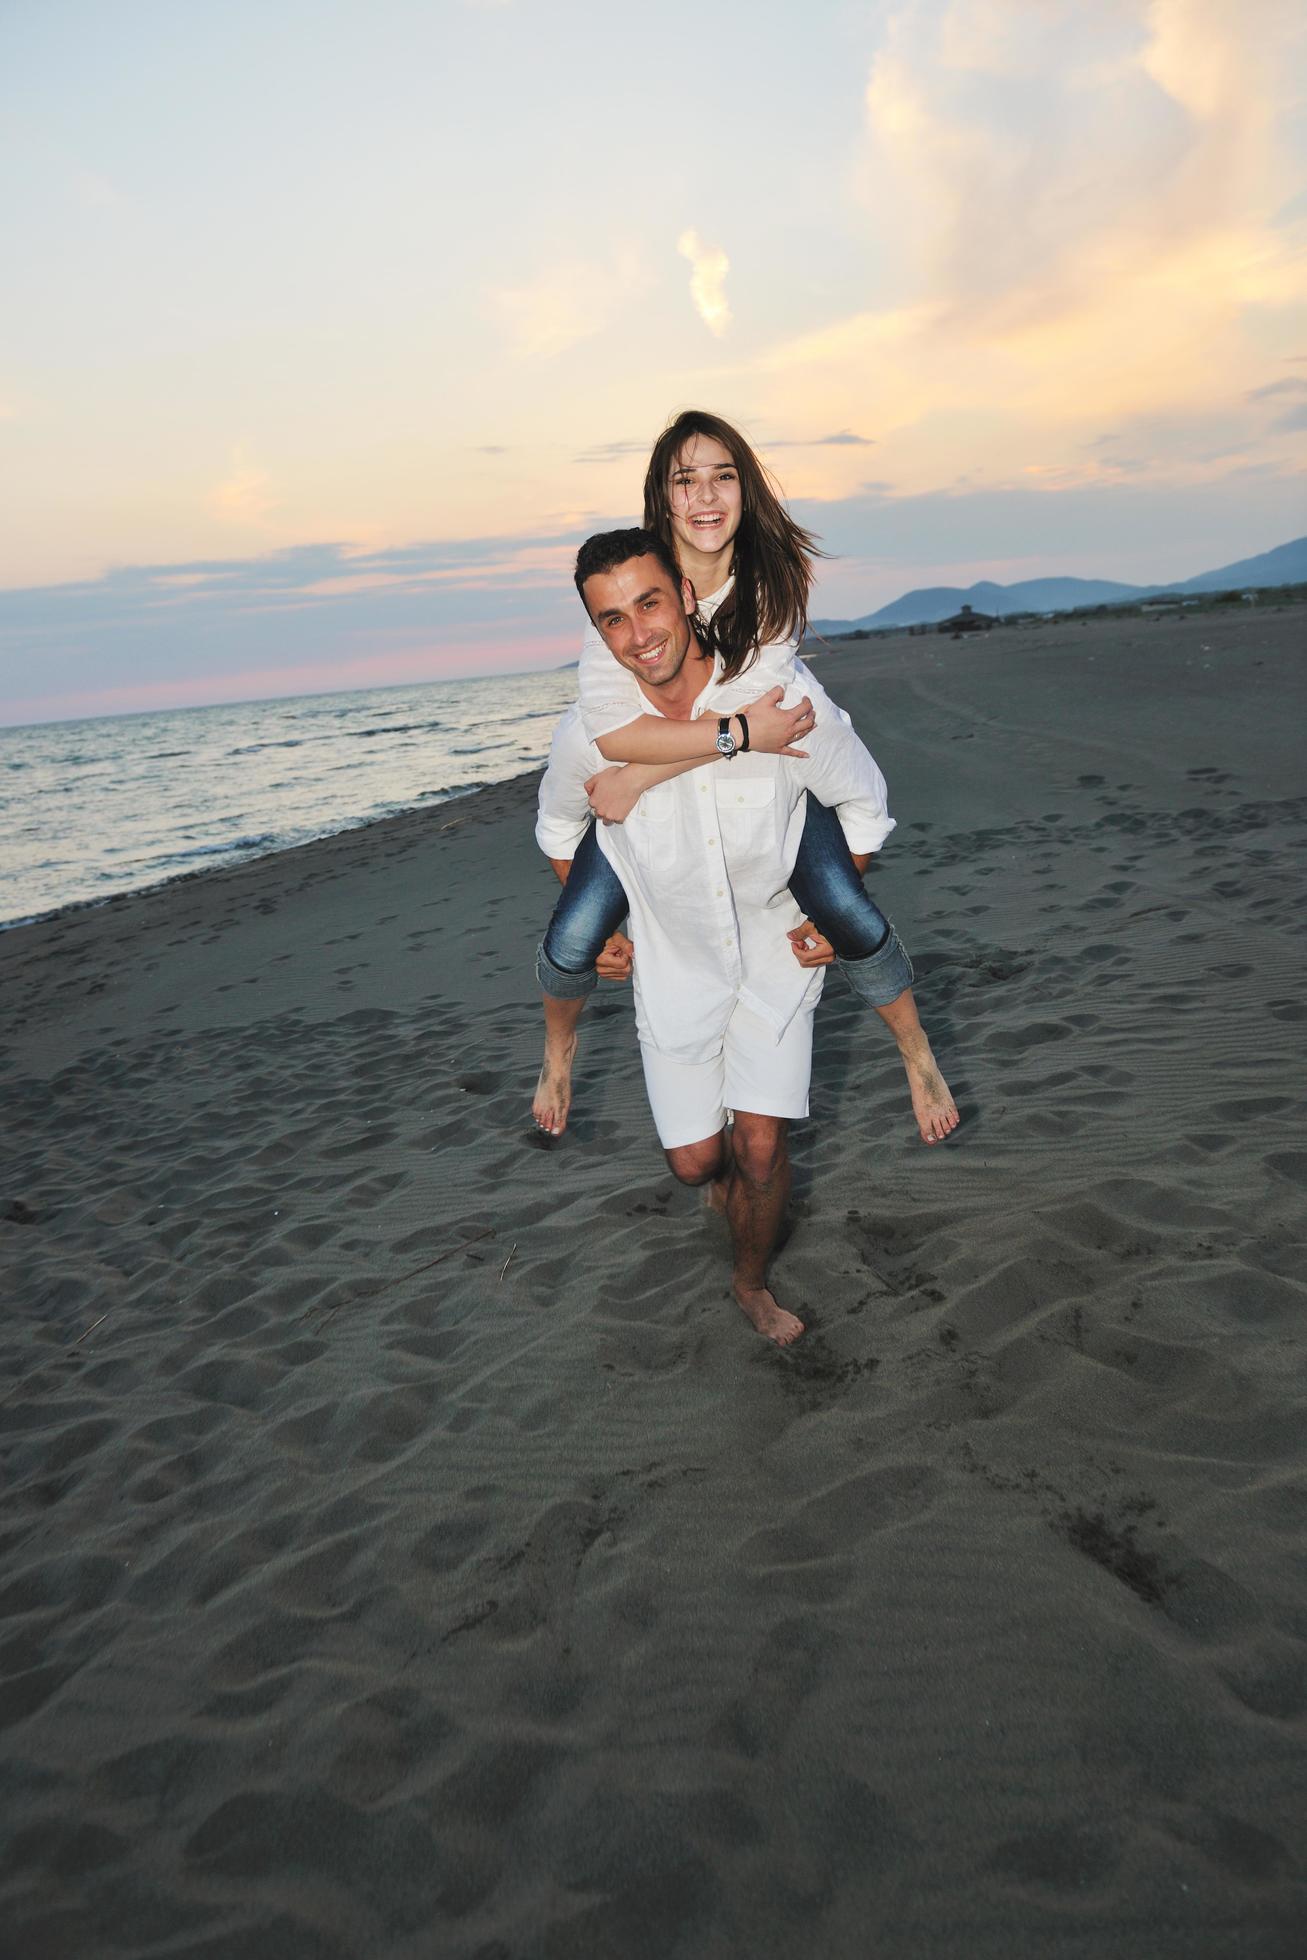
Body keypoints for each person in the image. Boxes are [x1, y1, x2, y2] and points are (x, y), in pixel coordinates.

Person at [535, 528, 956, 1346]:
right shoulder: (586, 737)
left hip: (774, 959)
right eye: (612, 619)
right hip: (672, 967)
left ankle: (750, 1280)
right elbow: (559, 831)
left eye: (650, 602)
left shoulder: (775, 701)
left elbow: (863, 803)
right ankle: (719, 1188)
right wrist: (611, 928)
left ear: (687, 597)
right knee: (698, 1163)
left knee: (761, 1150)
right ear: (597, 635)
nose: (638, 632)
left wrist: (827, 911)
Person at [532, 409, 958, 1148]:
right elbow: (617, 733)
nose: (704, 495)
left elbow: (757, 722)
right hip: (716, 741)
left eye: (722, 476)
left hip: (778, 735)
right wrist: (650, 765)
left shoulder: (767, 586)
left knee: (844, 908)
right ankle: (557, 1050)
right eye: (684, 479)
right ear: (660, 499)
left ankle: (915, 1050)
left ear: (746, 488)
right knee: (571, 935)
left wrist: (634, 780)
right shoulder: (631, 587)